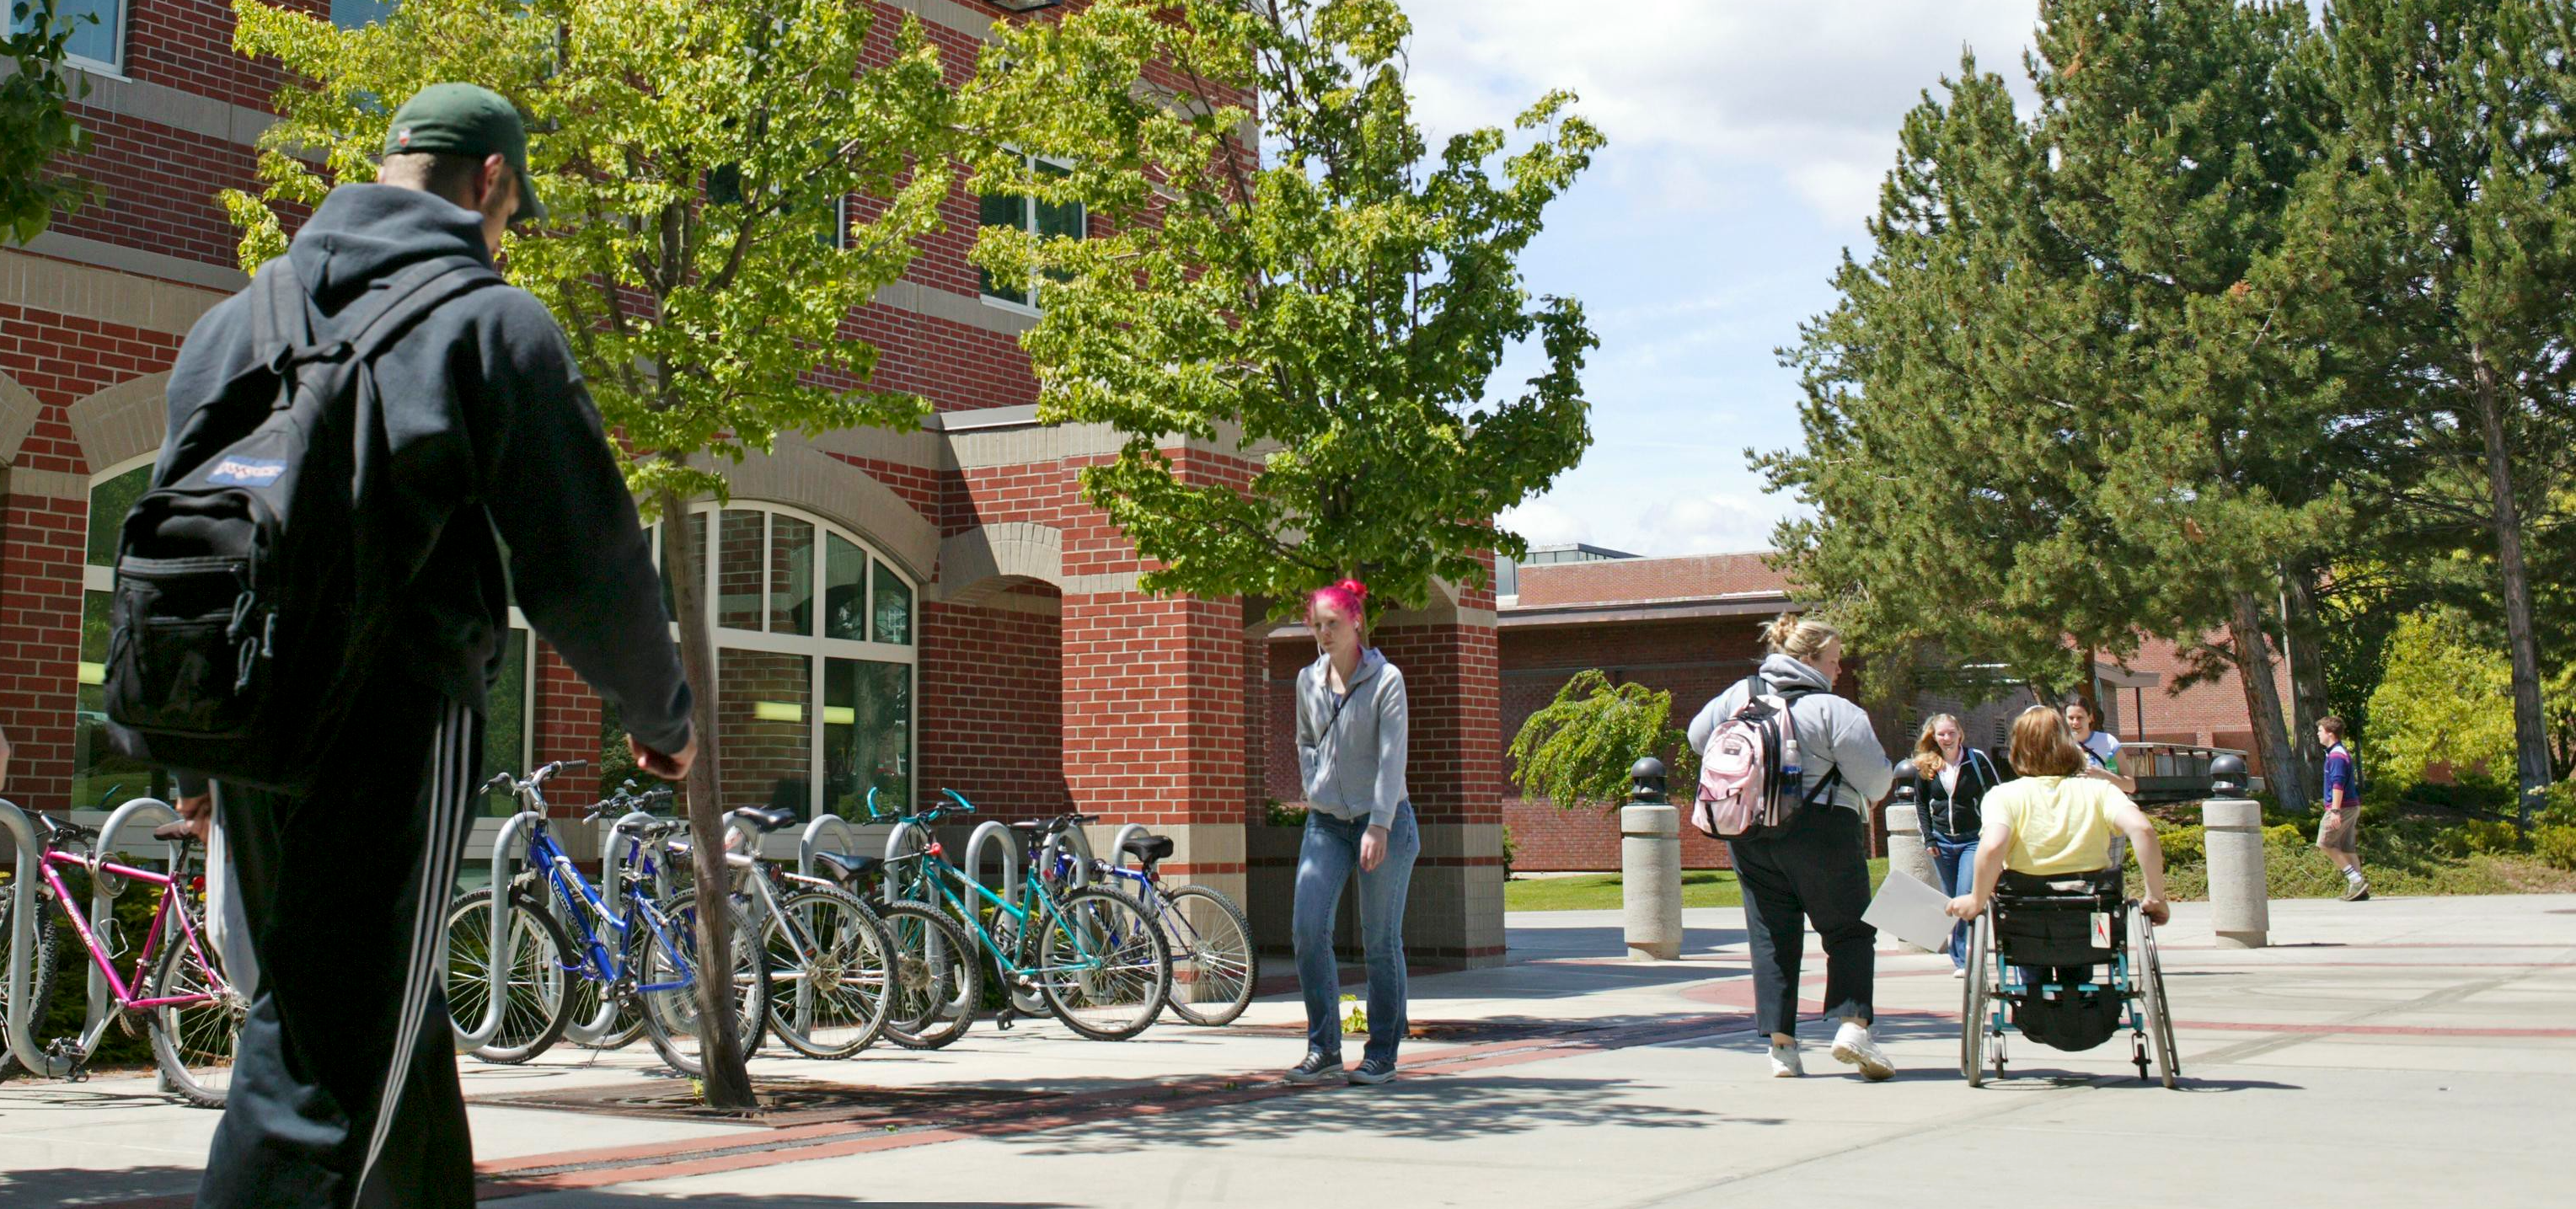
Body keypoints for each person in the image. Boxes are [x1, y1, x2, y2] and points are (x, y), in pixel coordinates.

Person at [163, 83, 697, 1208]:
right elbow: (584, 555)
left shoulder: (237, 322)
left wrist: (196, 763)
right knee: (321, 1055)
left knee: (361, 1012)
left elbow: (189, 557)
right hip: (391, 720)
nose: (504, 238)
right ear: (490, 181)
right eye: (510, 215)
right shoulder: (490, 319)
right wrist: (662, 716)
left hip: (247, 724)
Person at [1688, 614, 1896, 1080]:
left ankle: (1782, 1047)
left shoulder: (1737, 696)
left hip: (1749, 832)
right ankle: (1852, 1027)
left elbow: (1697, 737)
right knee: (1850, 930)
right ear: (1808, 660)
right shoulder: (1833, 709)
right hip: (1823, 828)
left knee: (1770, 936)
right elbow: (1877, 781)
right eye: (1834, 661)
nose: (1839, 670)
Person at [1943, 707, 2171, 1051]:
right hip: (2092, 921)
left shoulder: (2004, 797)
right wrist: (2157, 895)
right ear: (2068, 745)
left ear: (2017, 749)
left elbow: (1990, 849)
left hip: (2025, 923)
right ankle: (2083, 998)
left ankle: (2033, 998)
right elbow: (2142, 830)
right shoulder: (2098, 791)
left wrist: (1976, 899)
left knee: (2025, 944)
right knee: (2088, 947)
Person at [1285, 577, 1420, 1088]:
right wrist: (1313, 785)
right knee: (1306, 928)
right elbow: (1303, 741)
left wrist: (1379, 824)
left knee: (1380, 941)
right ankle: (1323, 1048)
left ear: (1356, 622)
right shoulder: (1307, 681)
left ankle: (1382, 1052)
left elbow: (1392, 759)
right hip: (1325, 823)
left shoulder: (1386, 682)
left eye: (1332, 624)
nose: (1323, 634)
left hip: (1383, 821)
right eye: (1316, 625)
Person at [1913, 713, 2001, 976]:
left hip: (1973, 840)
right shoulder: (1928, 765)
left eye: (1951, 733)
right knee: (1952, 901)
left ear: (1960, 734)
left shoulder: (1976, 760)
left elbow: (1995, 793)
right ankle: (1960, 956)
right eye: (1941, 734)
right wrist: (1928, 838)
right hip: (1942, 841)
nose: (1946, 738)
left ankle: (1968, 959)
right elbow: (1921, 803)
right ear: (1934, 737)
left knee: (1966, 894)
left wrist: (1991, 831)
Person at [2316, 715, 2368, 901]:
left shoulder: (2337, 755)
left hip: (2342, 808)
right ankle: (2360, 890)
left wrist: (2335, 811)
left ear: (2330, 733)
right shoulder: (2338, 752)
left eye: (2320, 731)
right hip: (2351, 806)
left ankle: (2355, 880)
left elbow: (2337, 785)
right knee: (2347, 848)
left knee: (2324, 843)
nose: (2318, 734)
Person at [2063, 695, 2135, 794]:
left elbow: (2130, 786)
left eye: (2080, 718)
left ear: (2090, 718)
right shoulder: (2059, 744)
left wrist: (2100, 773)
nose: (2075, 723)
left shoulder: (2108, 742)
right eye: (2071, 718)